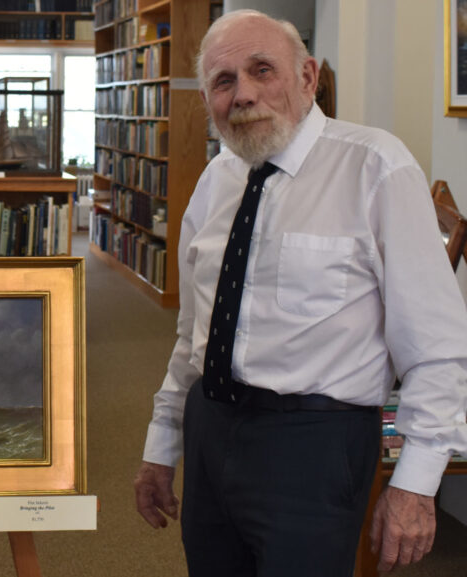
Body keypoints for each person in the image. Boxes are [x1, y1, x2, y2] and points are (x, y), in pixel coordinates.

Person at [133, 9, 467, 577]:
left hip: (315, 446)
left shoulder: (376, 166)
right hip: (211, 431)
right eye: (223, 81)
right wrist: (162, 443)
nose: (243, 94)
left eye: (262, 70)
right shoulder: (218, 179)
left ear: (308, 76)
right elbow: (194, 335)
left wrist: (416, 484)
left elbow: (438, 345)